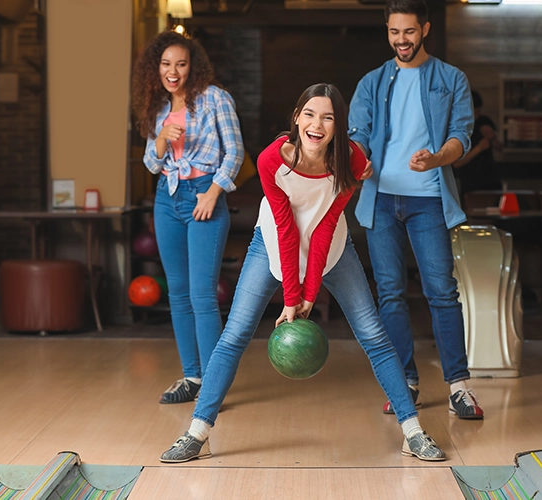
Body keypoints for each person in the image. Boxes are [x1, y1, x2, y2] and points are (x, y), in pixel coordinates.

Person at [159, 83, 446, 464]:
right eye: (310, 114)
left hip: (331, 248)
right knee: (234, 335)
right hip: (274, 241)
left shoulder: (353, 161)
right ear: (297, 118)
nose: (317, 124)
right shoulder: (271, 160)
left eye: (328, 117)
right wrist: (293, 298)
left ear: (339, 127)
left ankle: (412, 432)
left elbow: (326, 224)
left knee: (374, 335)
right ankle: (197, 433)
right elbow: (286, 228)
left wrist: (311, 294)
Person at [348, 0, 484, 420]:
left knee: (441, 292)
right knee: (389, 293)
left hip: (429, 200)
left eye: (409, 32)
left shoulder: (450, 78)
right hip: (382, 201)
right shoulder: (372, 82)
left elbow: (462, 133)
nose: (401, 40)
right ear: (387, 31)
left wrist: (438, 158)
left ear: (424, 29)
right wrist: (361, 161)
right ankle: (403, 382)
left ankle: (459, 387)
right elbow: (357, 136)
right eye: (394, 32)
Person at [131, 31, 244, 404]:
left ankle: (213, 386)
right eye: (166, 64)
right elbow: (152, 162)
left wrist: (214, 192)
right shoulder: (159, 107)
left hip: (204, 196)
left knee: (202, 296)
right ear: (156, 68)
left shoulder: (215, 99)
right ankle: (192, 377)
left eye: (180, 63)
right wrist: (162, 136)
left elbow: (235, 152)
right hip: (168, 198)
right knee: (178, 295)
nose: (173, 71)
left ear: (192, 65)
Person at [453, 90, 503, 194]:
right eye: (473, 113)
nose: (476, 117)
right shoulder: (457, 127)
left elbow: (500, 147)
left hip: (491, 178)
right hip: (470, 181)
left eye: (478, 112)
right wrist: (479, 149)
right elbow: (456, 163)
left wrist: (493, 137)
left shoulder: (484, 121)